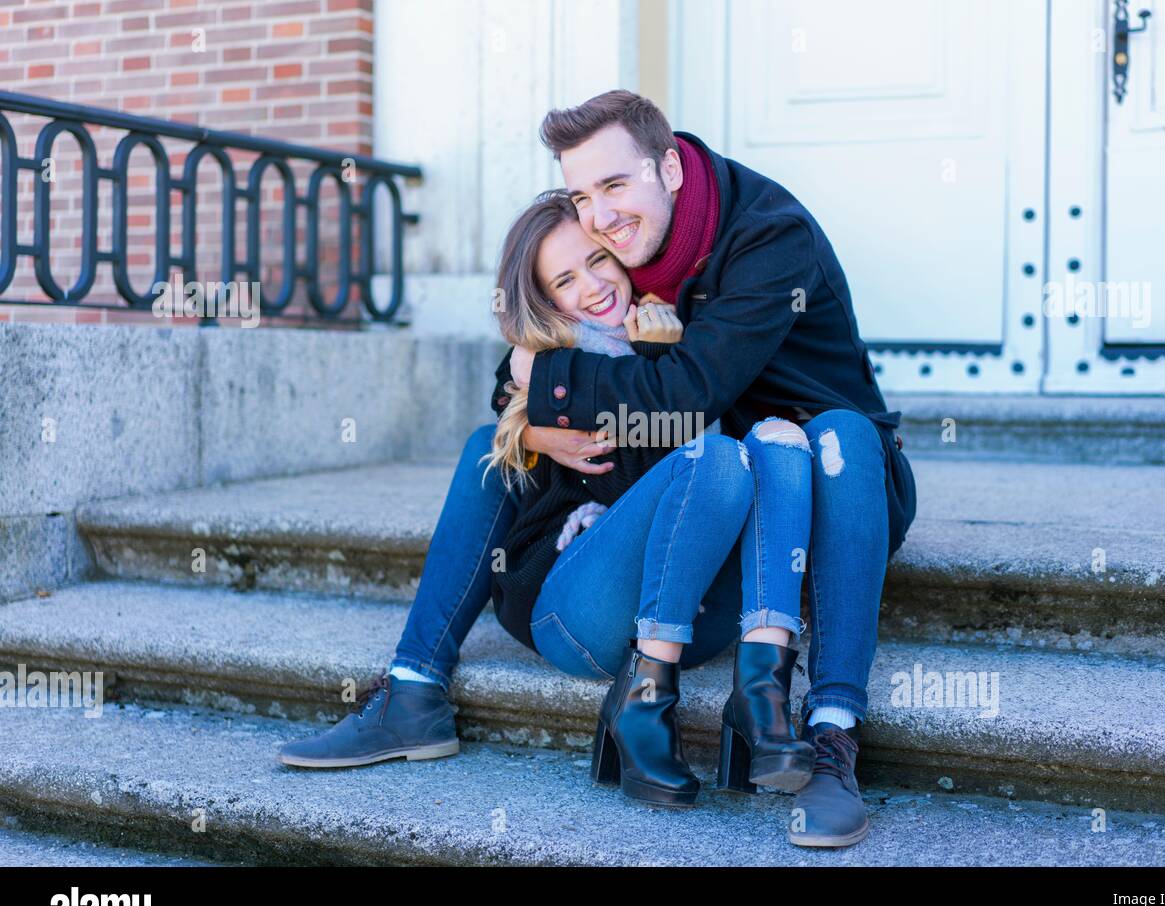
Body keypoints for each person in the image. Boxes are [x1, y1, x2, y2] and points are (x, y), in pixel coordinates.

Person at [281, 190, 818, 810]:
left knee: (748, 450)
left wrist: (657, 355)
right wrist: (536, 420)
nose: (593, 287)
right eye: (565, 279)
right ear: (544, 300)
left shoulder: (682, 341)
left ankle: (744, 697)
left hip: (700, 616)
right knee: (501, 447)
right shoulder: (556, 366)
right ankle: (414, 683)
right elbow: (633, 482)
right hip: (584, 606)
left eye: (598, 260)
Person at [507, 90, 918, 847]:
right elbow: (541, 340)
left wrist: (552, 383)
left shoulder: (768, 237)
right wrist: (533, 415)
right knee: (734, 453)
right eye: (581, 195)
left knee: (838, 434)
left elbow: (689, 390)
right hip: (744, 504)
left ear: (667, 167)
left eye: (614, 185)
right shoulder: (624, 262)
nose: (598, 216)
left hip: (841, 488)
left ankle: (831, 737)